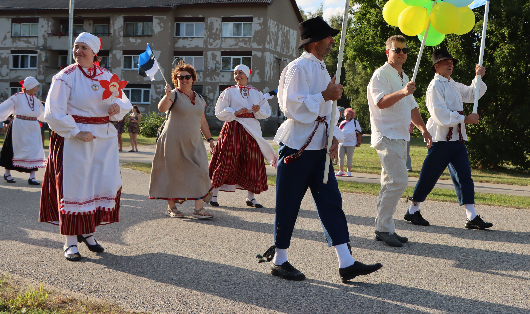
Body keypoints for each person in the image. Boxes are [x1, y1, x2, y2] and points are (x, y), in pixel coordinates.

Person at [259, 16, 382, 283]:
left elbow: (328, 110)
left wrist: (334, 136)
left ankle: (346, 262)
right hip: (297, 146)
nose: (332, 41)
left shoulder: (322, 68)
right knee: (288, 203)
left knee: (331, 202)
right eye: (328, 37)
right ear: (315, 41)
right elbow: (290, 106)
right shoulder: (297, 68)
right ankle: (279, 260)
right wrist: (325, 95)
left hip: (320, 148)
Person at [39, 33, 132, 261]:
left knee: (99, 184)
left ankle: (88, 232)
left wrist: (116, 107)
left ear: (94, 52)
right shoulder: (65, 77)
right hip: (75, 140)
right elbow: (52, 111)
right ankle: (70, 241)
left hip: (103, 140)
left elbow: (124, 102)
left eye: (83, 47)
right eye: (76, 47)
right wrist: (76, 131)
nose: (78, 51)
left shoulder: (106, 76)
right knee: (75, 186)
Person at [405, 48, 491, 230]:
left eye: (451, 62)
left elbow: (472, 94)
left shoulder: (453, 84)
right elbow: (439, 114)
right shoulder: (435, 86)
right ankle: (413, 210)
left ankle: (471, 216)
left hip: (457, 140)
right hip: (441, 139)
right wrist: (465, 119)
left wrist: (478, 77)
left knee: (464, 177)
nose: (450, 65)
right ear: (437, 66)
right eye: (446, 62)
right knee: (429, 175)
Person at [367, 35, 432, 247]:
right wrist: (403, 92)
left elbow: (412, 107)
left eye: (404, 50)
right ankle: (383, 229)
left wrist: (423, 129)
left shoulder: (404, 76)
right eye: (397, 50)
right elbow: (380, 102)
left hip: (400, 136)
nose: (402, 53)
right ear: (388, 52)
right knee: (399, 181)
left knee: (390, 183)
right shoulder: (381, 74)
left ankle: (384, 228)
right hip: (386, 135)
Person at [148, 62, 215, 219]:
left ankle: (198, 209)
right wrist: (166, 95)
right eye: (180, 77)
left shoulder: (199, 98)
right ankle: (172, 207)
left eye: (187, 77)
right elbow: (162, 108)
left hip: (194, 142)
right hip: (173, 141)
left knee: (201, 170)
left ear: (193, 79)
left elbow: (202, 121)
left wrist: (210, 139)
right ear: (176, 79)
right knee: (173, 174)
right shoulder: (173, 94)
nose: (184, 79)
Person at [209, 64, 277, 208]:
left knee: (252, 161)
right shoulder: (228, 91)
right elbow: (219, 111)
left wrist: (257, 110)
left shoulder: (256, 92)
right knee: (226, 159)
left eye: (240, 72)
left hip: (252, 130)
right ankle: (214, 195)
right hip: (233, 128)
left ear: (247, 74)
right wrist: (235, 112)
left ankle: (251, 197)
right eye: (235, 73)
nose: (237, 75)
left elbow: (266, 112)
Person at [0, 76, 46, 185]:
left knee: (34, 150)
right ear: (30, 86)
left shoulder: (36, 100)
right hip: (19, 126)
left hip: (33, 127)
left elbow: (44, 113)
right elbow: (4, 107)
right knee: (13, 148)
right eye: (36, 86)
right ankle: (7, 173)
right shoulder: (17, 97)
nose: (37, 88)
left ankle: (32, 177)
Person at [335, 108, 361, 177]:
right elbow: (338, 132)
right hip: (342, 143)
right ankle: (341, 171)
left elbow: (359, 133)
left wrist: (358, 142)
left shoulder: (355, 122)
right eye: (345, 115)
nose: (346, 116)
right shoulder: (342, 123)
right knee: (341, 157)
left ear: (351, 115)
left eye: (348, 115)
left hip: (351, 143)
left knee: (349, 157)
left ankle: (349, 172)